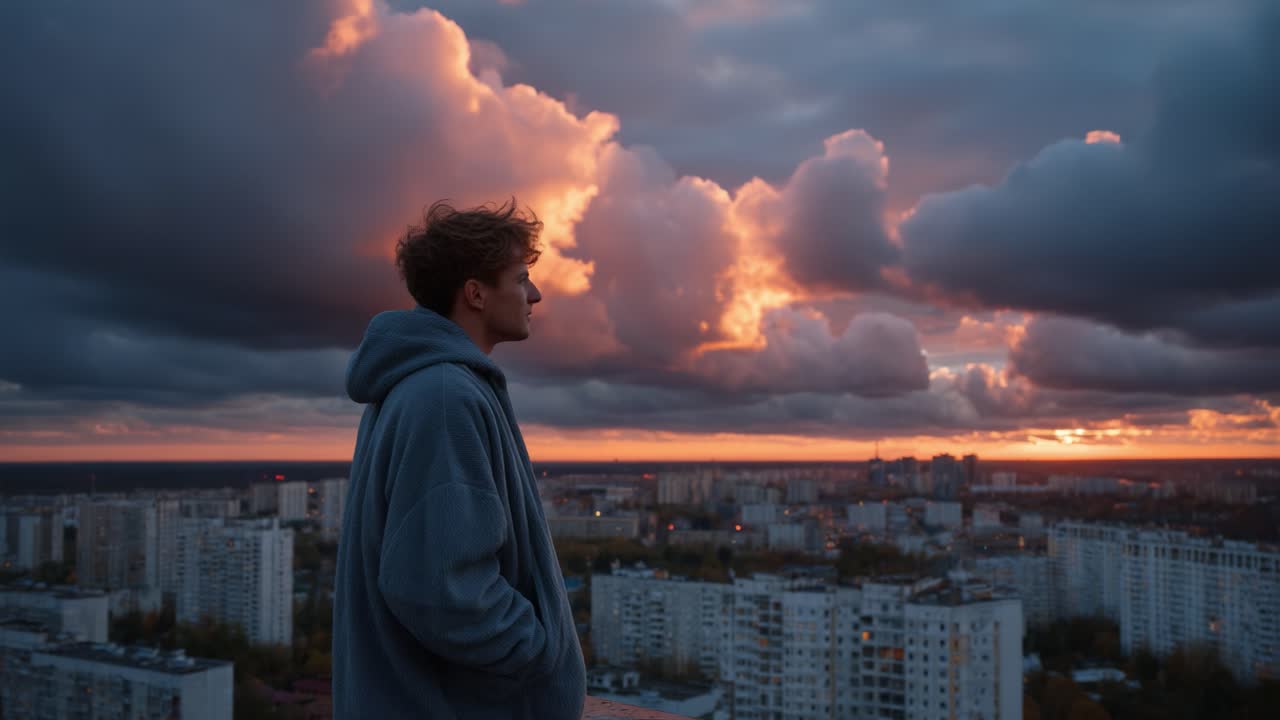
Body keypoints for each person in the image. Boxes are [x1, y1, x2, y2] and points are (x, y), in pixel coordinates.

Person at [333, 200, 585, 719]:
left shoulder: (426, 385)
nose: (535, 294)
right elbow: (440, 589)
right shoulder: (444, 396)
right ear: (475, 293)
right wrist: (539, 654)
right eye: (521, 279)